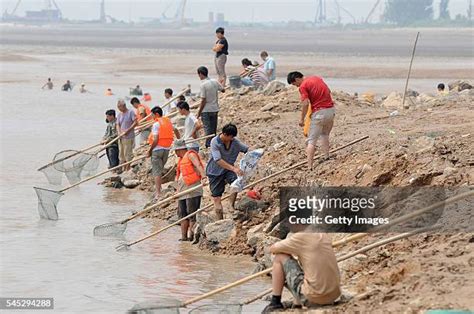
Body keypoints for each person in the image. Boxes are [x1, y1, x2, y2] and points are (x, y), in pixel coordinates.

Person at [262, 225, 341, 312]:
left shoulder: (301, 236)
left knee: (280, 257)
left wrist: (289, 250)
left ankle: (275, 302)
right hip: (334, 296)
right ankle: (297, 304)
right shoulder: (324, 234)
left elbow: (273, 249)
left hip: (314, 298)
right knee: (308, 271)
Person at [287, 71, 335, 171]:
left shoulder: (303, 86)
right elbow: (329, 91)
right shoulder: (317, 78)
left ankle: (309, 166)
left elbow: (305, 104)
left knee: (311, 141)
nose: (296, 87)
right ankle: (326, 157)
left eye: (294, 84)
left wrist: (302, 119)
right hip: (330, 111)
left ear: (296, 79)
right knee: (325, 134)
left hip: (319, 113)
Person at [206, 124, 248, 220]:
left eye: (233, 137)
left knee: (236, 183)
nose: (232, 139)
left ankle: (231, 206)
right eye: (230, 137)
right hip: (214, 172)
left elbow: (247, 150)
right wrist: (234, 169)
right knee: (217, 198)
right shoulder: (215, 142)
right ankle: (220, 221)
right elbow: (218, 160)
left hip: (227, 170)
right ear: (224, 134)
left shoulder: (234, 142)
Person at [173, 139, 207, 241]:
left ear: (179, 149)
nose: (175, 153)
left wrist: (204, 177)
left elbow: (198, 166)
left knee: (191, 213)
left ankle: (191, 236)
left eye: (175, 150)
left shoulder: (190, 155)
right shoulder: (180, 160)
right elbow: (179, 176)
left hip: (192, 190)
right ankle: (183, 237)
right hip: (182, 191)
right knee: (182, 214)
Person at [148, 106, 175, 199]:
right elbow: (176, 130)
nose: (151, 117)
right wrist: (178, 140)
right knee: (160, 169)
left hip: (157, 150)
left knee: (157, 172)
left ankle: (158, 193)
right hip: (166, 150)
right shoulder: (168, 122)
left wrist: (150, 151)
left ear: (156, 114)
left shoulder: (156, 124)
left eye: (152, 115)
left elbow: (155, 140)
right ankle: (159, 190)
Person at [196, 66, 224, 148]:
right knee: (213, 129)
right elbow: (223, 90)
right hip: (215, 108)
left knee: (208, 129)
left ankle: (208, 145)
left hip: (206, 110)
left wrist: (199, 112)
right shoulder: (214, 81)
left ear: (201, 74)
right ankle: (214, 144)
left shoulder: (203, 85)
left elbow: (203, 100)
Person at [116, 99, 137, 172]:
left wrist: (128, 130)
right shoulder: (119, 114)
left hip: (128, 136)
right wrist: (119, 132)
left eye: (120, 107)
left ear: (124, 106)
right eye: (118, 108)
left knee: (127, 153)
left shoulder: (130, 112)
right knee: (121, 154)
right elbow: (118, 124)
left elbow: (135, 122)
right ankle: (123, 168)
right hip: (121, 137)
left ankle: (127, 169)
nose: (119, 109)